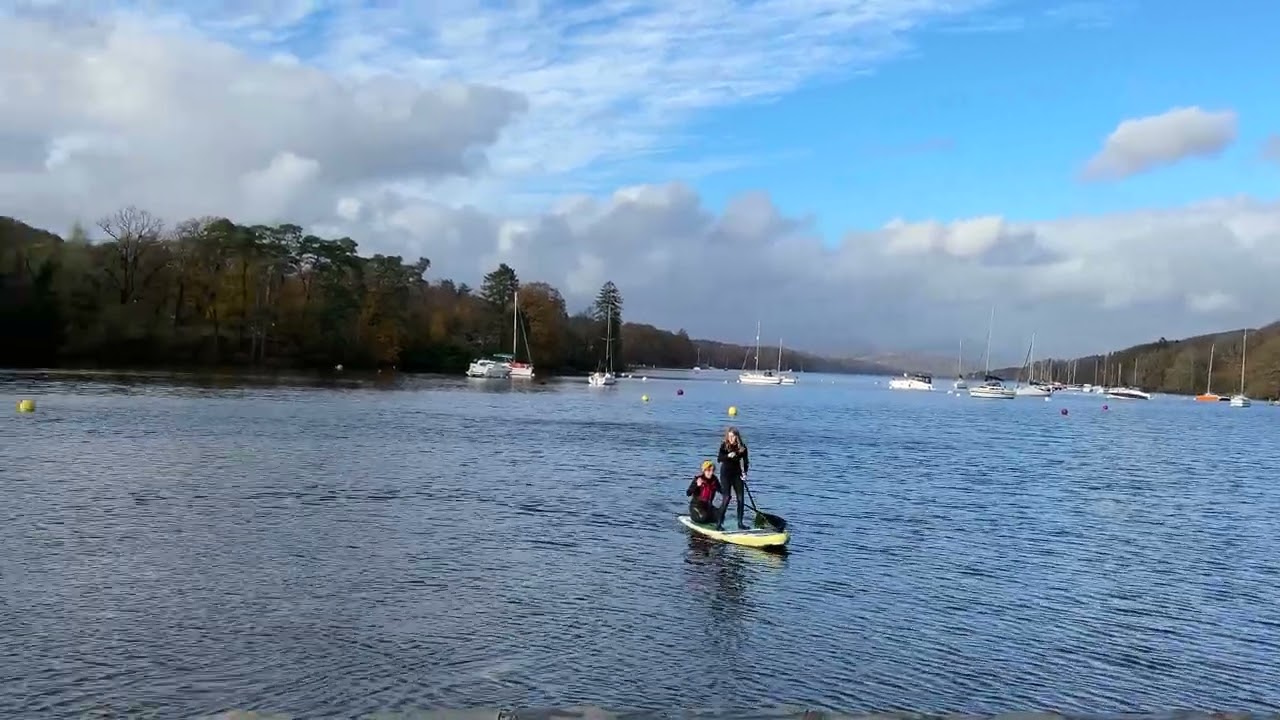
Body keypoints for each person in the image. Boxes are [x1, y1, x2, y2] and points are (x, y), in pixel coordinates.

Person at [715, 426, 750, 530]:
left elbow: (746, 462)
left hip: (737, 474)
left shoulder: (742, 448)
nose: (731, 438)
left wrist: (745, 473)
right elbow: (719, 459)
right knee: (727, 498)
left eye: (733, 436)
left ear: (737, 437)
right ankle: (719, 524)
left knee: (741, 498)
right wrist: (728, 456)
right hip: (725, 474)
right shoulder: (724, 445)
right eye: (729, 436)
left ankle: (740, 523)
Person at [685, 460, 721, 525]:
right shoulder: (698, 479)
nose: (711, 473)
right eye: (708, 470)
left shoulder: (714, 480)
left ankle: (710, 520)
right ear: (704, 471)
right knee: (703, 517)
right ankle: (695, 516)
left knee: (721, 515)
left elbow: (721, 490)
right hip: (696, 506)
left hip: (708, 506)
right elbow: (688, 493)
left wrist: (729, 494)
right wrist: (697, 486)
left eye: (712, 470)